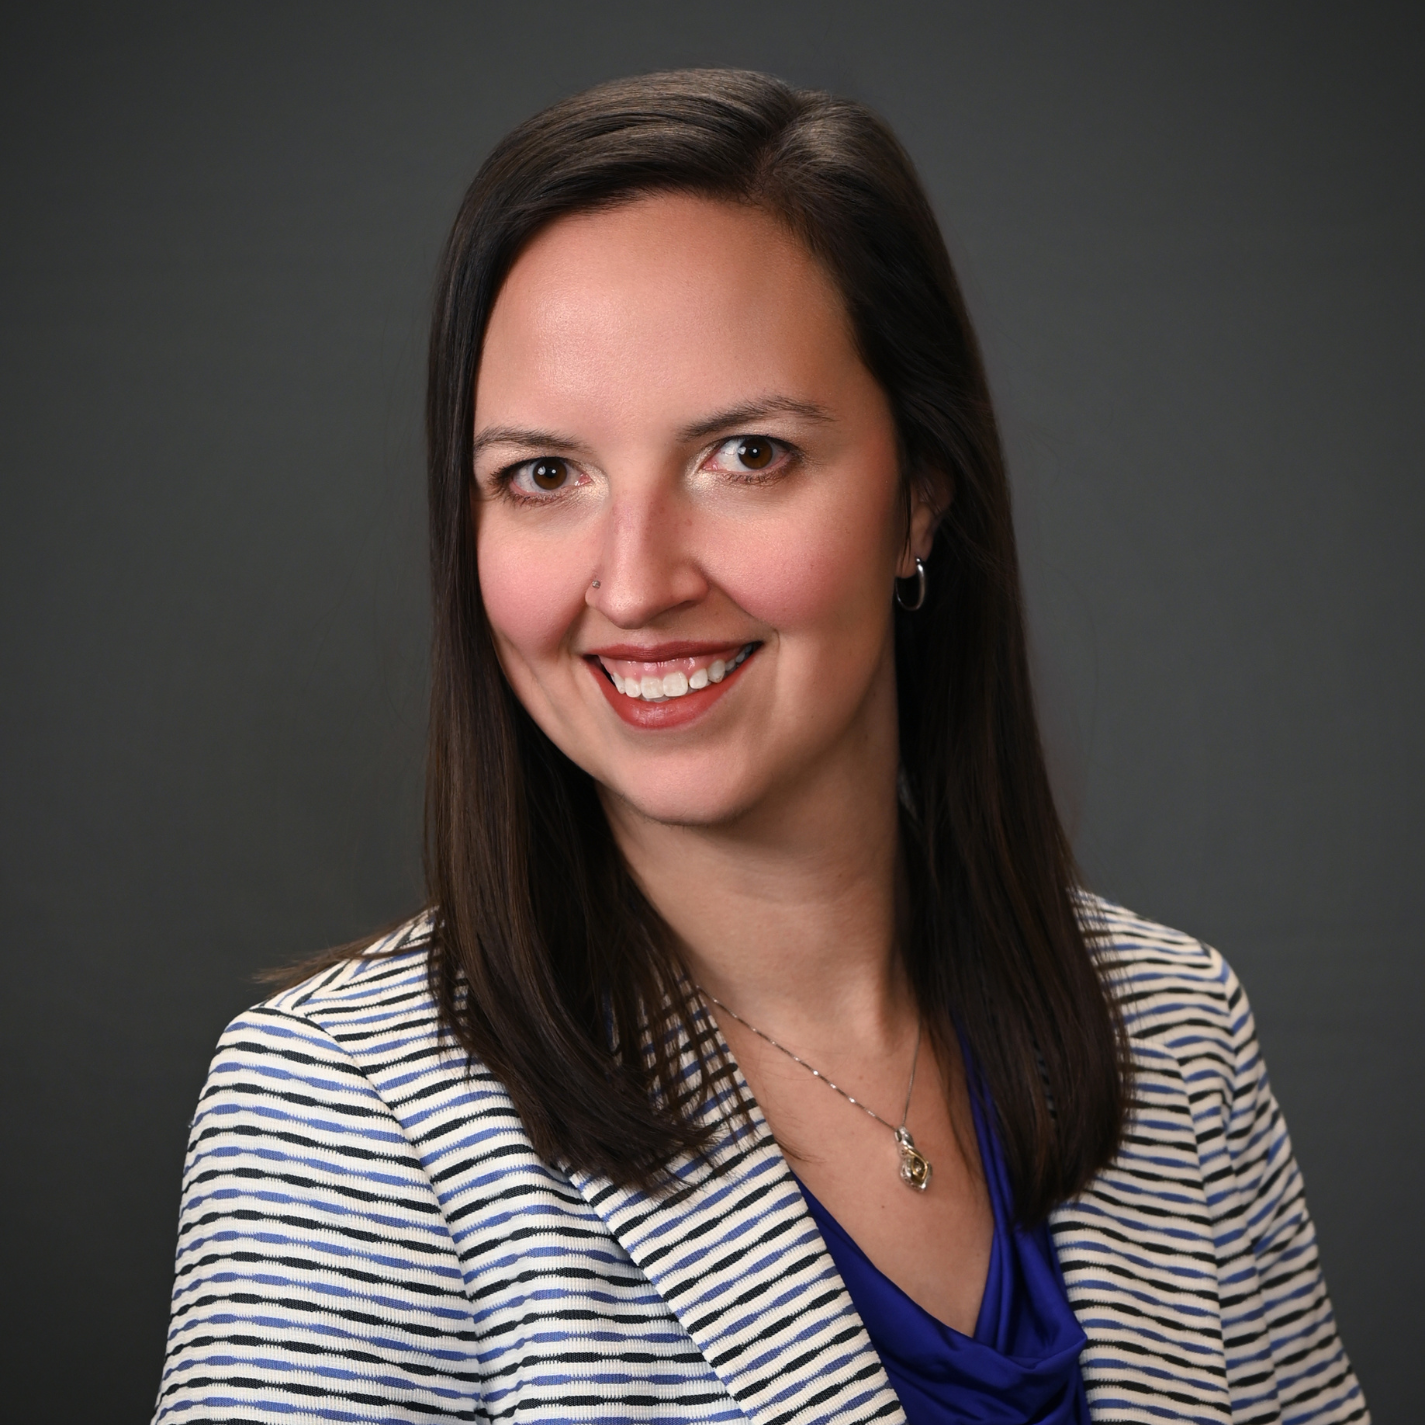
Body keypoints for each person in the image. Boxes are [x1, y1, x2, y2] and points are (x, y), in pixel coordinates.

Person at [152, 69, 1367, 1424]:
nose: (635, 581)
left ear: (919, 496)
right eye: (543, 475)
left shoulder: (1179, 1035)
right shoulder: (342, 1111)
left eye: (744, 454)